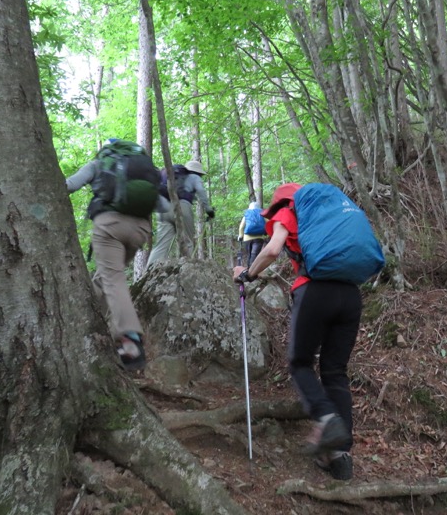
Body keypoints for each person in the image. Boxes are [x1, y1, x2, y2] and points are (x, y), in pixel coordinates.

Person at [232, 183, 359, 481]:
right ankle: (340, 458)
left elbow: (274, 248)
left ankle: (327, 420)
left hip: (315, 290)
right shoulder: (330, 216)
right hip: (351, 294)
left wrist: (247, 273)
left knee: (300, 363)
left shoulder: (289, 211)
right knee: (335, 371)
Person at [66, 140, 170, 370]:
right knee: (105, 277)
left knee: (113, 279)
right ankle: (93, 323)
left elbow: (70, 185)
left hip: (109, 226)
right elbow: (163, 206)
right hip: (140, 230)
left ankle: (129, 337)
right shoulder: (144, 170)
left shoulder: (99, 164)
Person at [147, 160, 215, 265]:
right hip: (182, 207)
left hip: (163, 209)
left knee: (161, 245)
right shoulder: (194, 177)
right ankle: (187, 269)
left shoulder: (173, 175)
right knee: (188, 240)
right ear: (198, 172)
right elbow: (201, 191)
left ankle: (149, 272)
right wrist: (209, 210)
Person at [237, 201, 267, 267]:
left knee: (249, 255)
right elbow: (269, 223)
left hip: (247, 238)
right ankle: (252, 272)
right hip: (259, 238)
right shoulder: (262, 214)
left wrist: (240, 236)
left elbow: (241, 227)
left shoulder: (247, 215)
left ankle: (249, 270)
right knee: (255, 255)